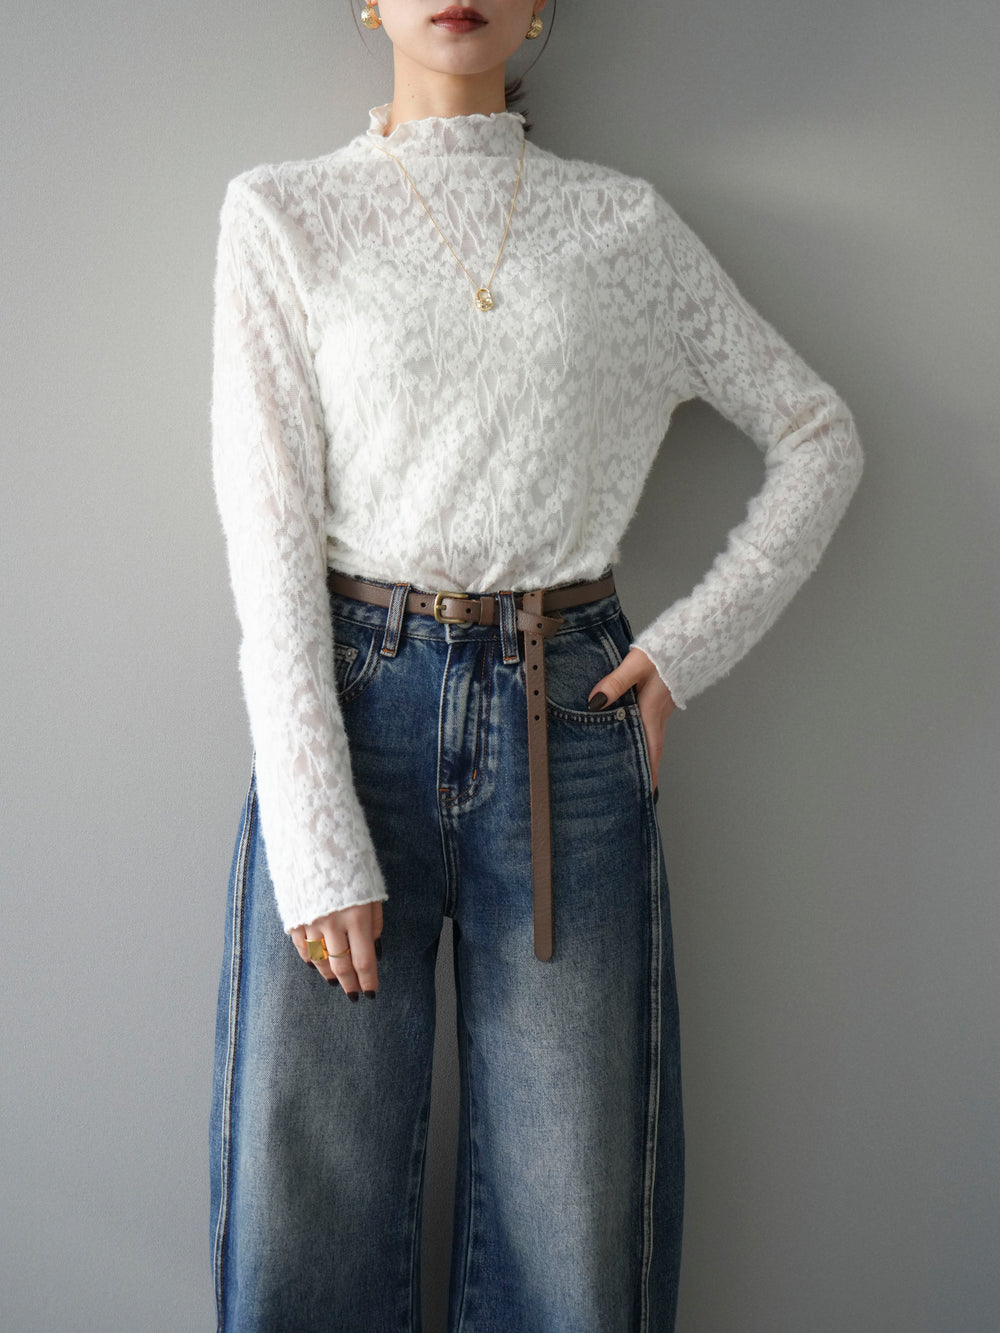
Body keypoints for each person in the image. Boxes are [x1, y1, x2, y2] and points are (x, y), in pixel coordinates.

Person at [207, 1, 863, 1328]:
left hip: (568, 717)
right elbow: (267, 540)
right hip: (349, 711)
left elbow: (818, 434)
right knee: (303, 1223)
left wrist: (682, 650)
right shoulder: (283, 214)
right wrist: (316, 836)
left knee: (576, 1228)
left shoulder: (622, 226)